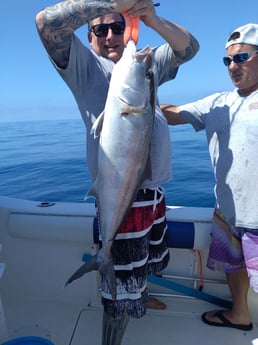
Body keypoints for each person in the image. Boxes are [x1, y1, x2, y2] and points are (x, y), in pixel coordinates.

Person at [35, 1, 199, 343]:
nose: (110, 35)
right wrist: (114, 3)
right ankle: (115, 328)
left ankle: (138, 294)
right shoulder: (83, 68)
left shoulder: (141, 66)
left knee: (148, 260)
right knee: (119, 288)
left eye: (117, 27)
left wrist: (150, 18)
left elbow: (189, 49)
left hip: (153, 193)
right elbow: (46, 23)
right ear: (89, 37)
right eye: (100, 29)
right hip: (121, 196)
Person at [161, 23, 258, 332]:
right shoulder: (217, 103)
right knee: (233, 266)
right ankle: (239, 315)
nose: (233, 66)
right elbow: (173, 114)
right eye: (227, 60)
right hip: (227, 213)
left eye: (241, 57)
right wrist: (138, 99)